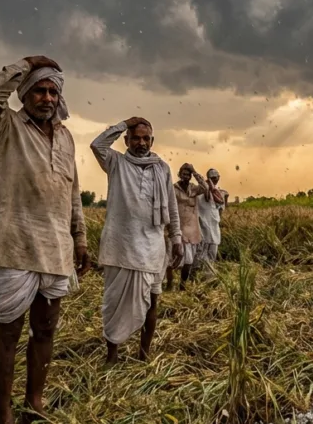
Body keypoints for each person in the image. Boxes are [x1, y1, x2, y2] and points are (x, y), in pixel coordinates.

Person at [0, 56, 90, 424]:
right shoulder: (7, 126)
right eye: (39, 90)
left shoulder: (66, 137)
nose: (47, 97)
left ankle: (35, 401)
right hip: (14, 244)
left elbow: (72, 192)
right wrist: (25, 64)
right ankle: (4, 412)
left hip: (56, 246)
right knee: (8, 331)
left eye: (53, 91)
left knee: (45, 329)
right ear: (25, 94)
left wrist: (81, 238)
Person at [90, 117, 183, 365]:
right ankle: (112, 356)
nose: (141, 143)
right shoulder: (116, 162)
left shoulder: (162, 168)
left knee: (152, 301)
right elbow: (97, 145)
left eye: (146, 138)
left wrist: (176, 238)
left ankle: (144, 355)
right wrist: (122, 123)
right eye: (136, 138)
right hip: (119, 247)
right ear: (126, 140)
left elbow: (172, 207)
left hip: (153, 247)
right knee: (113, 303)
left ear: (152, 140)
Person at [168, 163, 208, 291]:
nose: (186, 177)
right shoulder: (173, 189)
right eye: (184, 174)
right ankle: (169, 283)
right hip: (177, 227)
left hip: (191, 229)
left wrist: (194, 171)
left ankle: (182, 285)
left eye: (188, 175)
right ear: (179, 175)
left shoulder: (193, 188)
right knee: (171, 258)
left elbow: (206, 188)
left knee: (188, 260)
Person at [196, 168, 226, 273]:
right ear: (207, 178)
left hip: (214, 227)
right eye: (211, 178)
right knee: (202, 253)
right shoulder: (200, 192)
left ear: (219, 177)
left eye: (216, 177)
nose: (214, 179)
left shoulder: (219, 193)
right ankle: (206, 275)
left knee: (213, 252)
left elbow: (220, 209)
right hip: (203, 227)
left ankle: (208, 274)